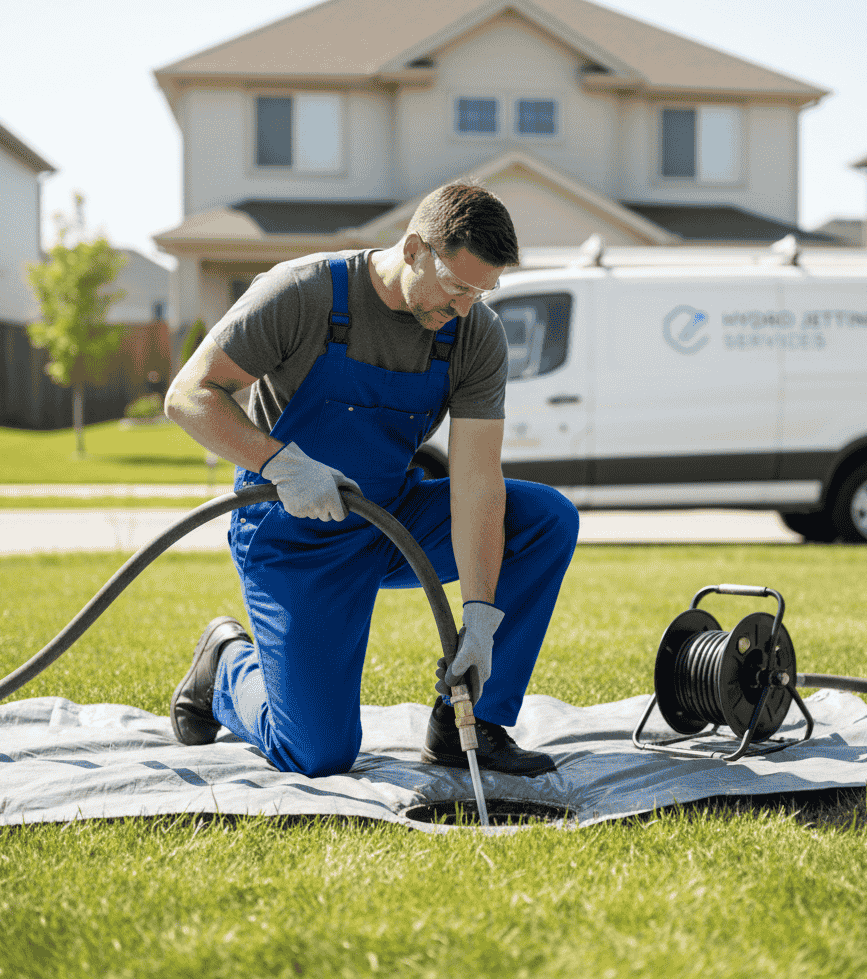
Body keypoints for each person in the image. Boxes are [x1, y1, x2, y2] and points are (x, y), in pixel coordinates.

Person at [164, 182, 579, 779]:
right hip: (294, 540)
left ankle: (469, 721)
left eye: (482, 291)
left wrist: (483, 618)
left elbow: (478, 487)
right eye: (458, 286)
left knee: (544, 519)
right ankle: (227, 666)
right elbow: (189, 395)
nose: (465, 307)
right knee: (317, 753)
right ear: (414, 248)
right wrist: (281, 463)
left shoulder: (474, 335)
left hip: (391, 523)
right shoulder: (303, 292)